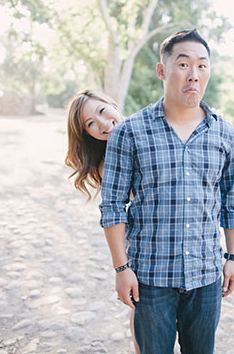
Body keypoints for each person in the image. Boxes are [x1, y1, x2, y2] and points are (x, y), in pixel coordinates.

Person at [99, 29, 234, 353]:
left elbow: (233, 203)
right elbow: (111, 205)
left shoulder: (225, 133)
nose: (194, 75)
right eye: (183, 65)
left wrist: (233, 258)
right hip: (150, 278)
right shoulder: (130, 132)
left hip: (206, 277)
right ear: (162, 70)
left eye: (202, 66)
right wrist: (121, 269)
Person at [65, 89, 139, 354]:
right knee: (144, 312)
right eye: (91, 124)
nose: (103, 124)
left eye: (101, 111)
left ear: (110, 103)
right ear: (88, 134)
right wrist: (121, 268)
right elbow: (115, 211)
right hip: (144, 244)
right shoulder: (107, 163)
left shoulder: (148, 128)